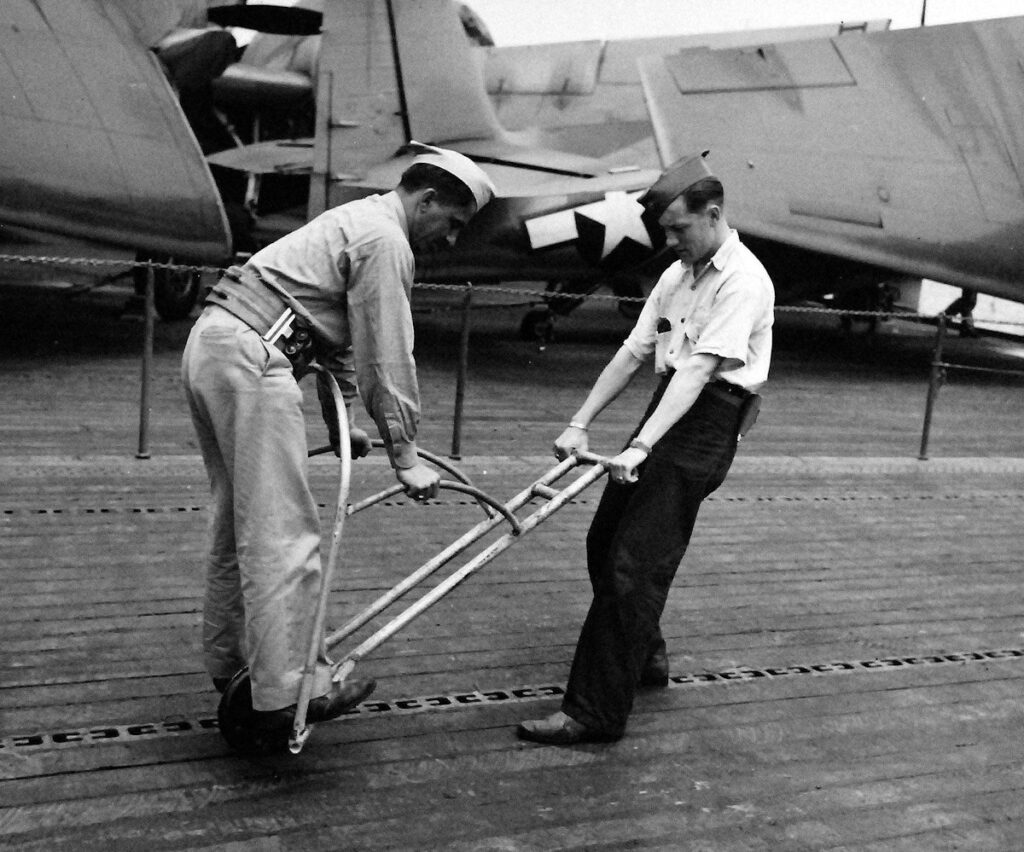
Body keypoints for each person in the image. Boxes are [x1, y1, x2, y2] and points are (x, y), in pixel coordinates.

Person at [181, 143, 495, 732]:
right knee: (283, 533)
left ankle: (236, 668)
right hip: (253, 361)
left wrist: (342, 420)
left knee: (238, 523)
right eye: (451, 224)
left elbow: (337, 336)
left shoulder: (355, 220)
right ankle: (285, 693)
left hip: (216, 345)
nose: (450, 240)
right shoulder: (386, 241)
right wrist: (405, 455)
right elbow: (386, 352)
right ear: (426, 200)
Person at [517, 151, 774, 745]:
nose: (671, 240)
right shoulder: (677, 273)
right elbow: (635, 353)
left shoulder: (744, 280)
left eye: (680, 229)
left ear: (713, 215)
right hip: (669, 408)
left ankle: (594, 712)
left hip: (709, 418)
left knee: (636, 566)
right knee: (605, 540)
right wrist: (580, 422)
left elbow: (702, 370)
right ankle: (644, 655)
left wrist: (640, 446)